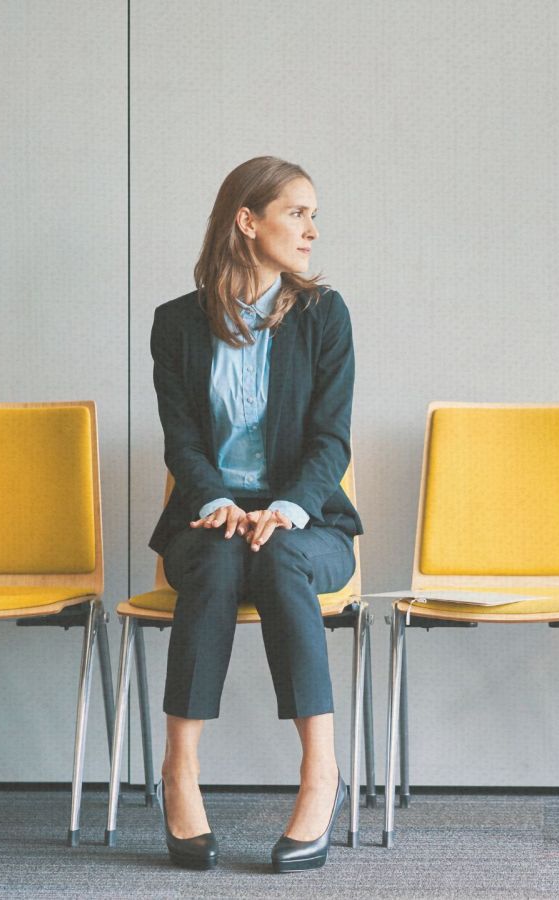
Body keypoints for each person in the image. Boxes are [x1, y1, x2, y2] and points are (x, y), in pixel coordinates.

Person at [148, 156, 363, 873]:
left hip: (309, 523)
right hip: (208, 520)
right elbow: (181, 438)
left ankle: (321, 776)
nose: (312, 228)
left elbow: (332, 439)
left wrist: (288, 508)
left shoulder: (323, 315)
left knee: (277, 555)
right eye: (296, 212)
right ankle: (179, 772)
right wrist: (215, 502)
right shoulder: (176, 324)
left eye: (312, 214)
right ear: (248, 220)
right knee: (214, 556)